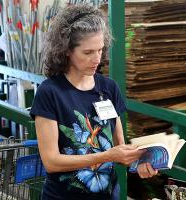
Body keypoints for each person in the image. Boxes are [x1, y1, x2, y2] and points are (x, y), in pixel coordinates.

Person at [30, 4, 157, 200]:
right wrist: (107, 156)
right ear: (66, 51)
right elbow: (51, 161)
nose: (96, 59)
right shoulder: (50, 92)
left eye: (100, 50)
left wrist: (139, 163)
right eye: (88, 52)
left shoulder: (109, 87)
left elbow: (119, 145)